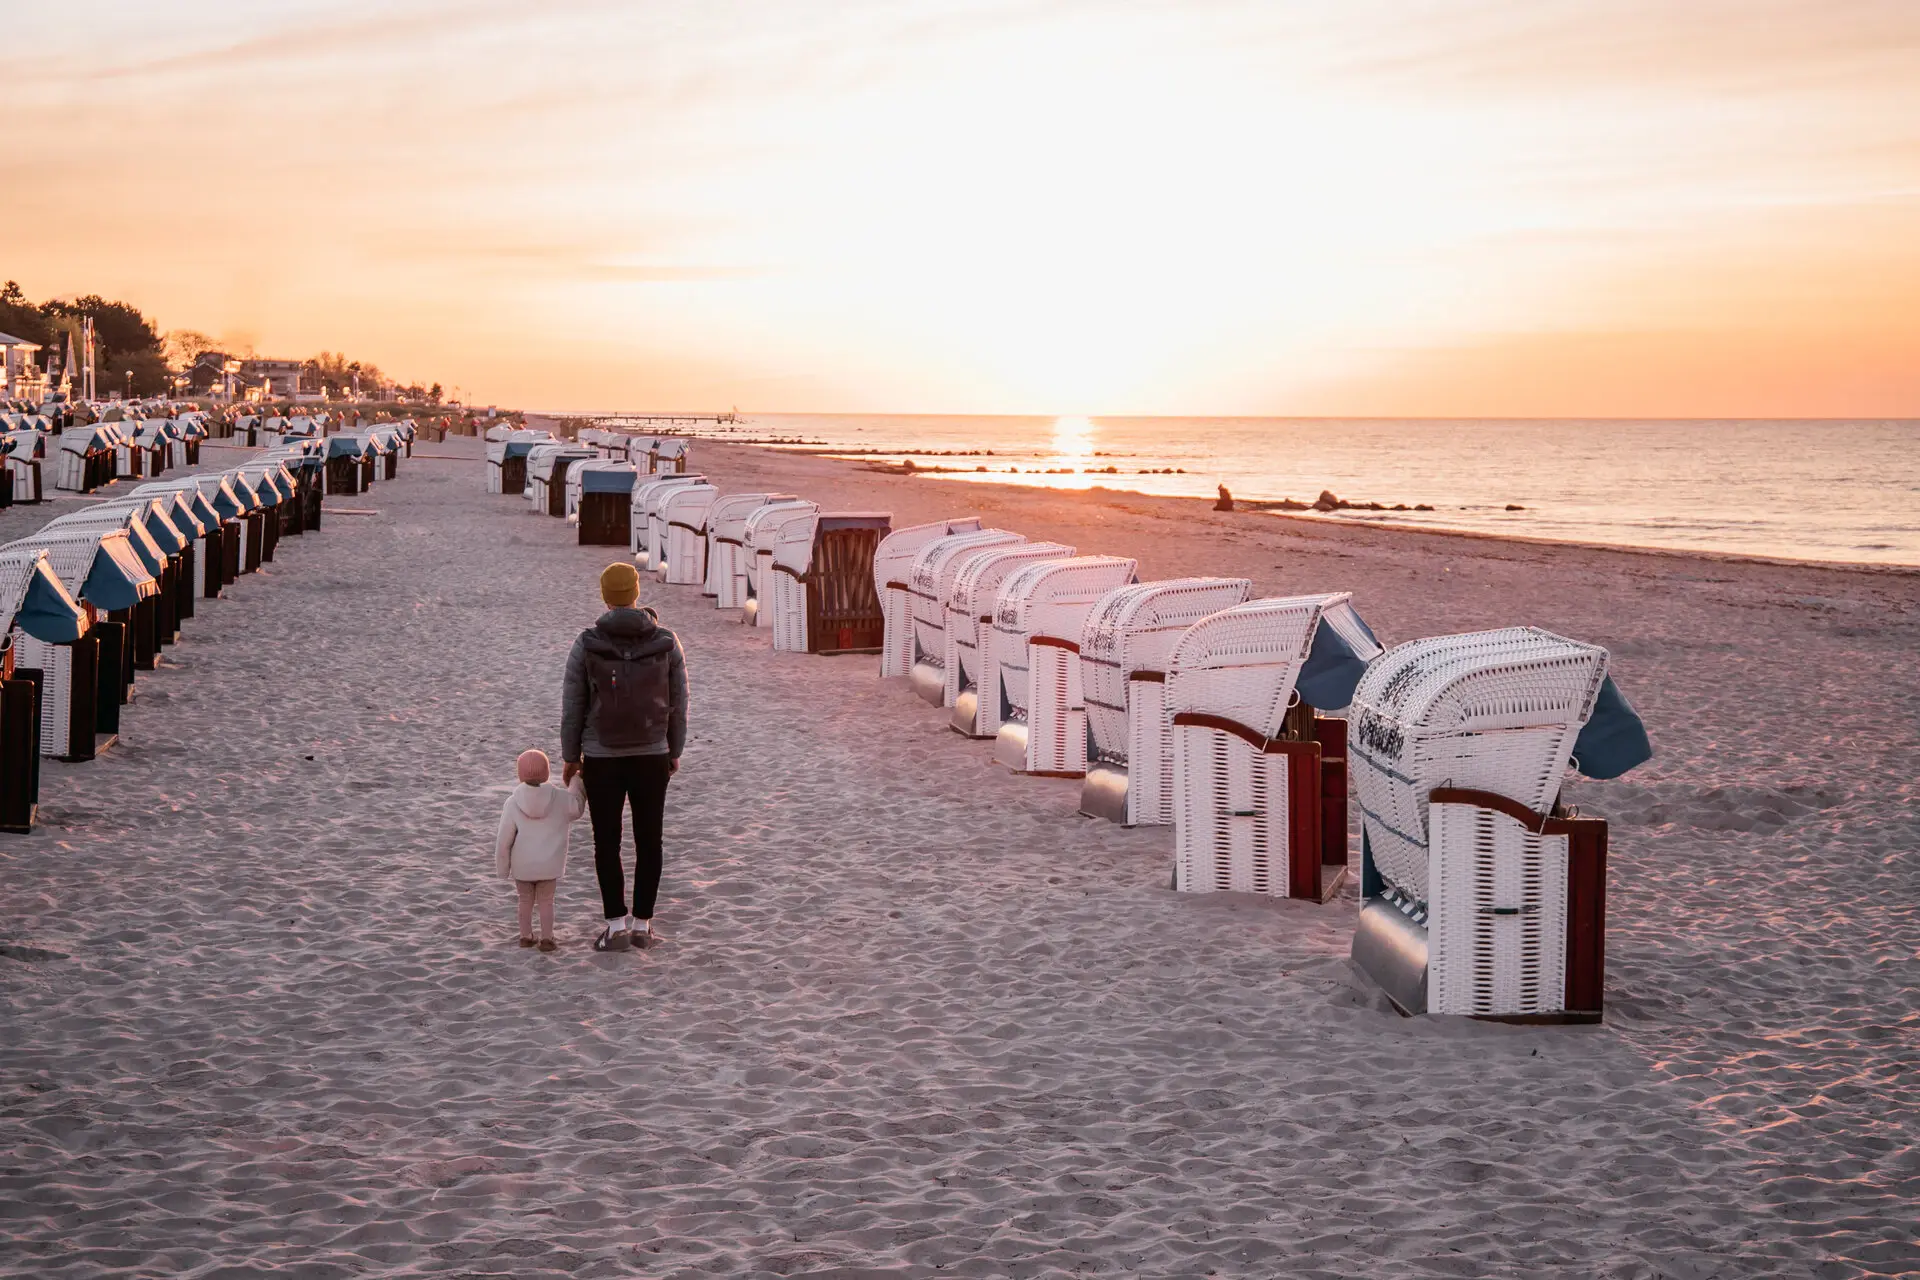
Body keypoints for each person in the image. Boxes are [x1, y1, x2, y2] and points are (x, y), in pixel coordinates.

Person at [561, 562, 688, 953]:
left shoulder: (586, 643)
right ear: (635, 593)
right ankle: (643, 925)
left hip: (601, 756)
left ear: (605, 596)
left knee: (607, 842)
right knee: (650, 841)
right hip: (652, 753)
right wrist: (674, 749)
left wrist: (570, 756)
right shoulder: (667, 640)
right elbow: (679, 704)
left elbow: (573, 704)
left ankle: (615, 926)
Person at [494, 748, 587, 952]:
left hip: (522, 865)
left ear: (520, 774)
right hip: (549, 864)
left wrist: (502, 869)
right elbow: (577, 807)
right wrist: (577, 782)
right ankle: (547, 938)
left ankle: (526, 936)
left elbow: (504, 840)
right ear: (546, 773)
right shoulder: (560, 799)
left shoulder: (512, 803)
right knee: (546, 901)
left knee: (525, 900)